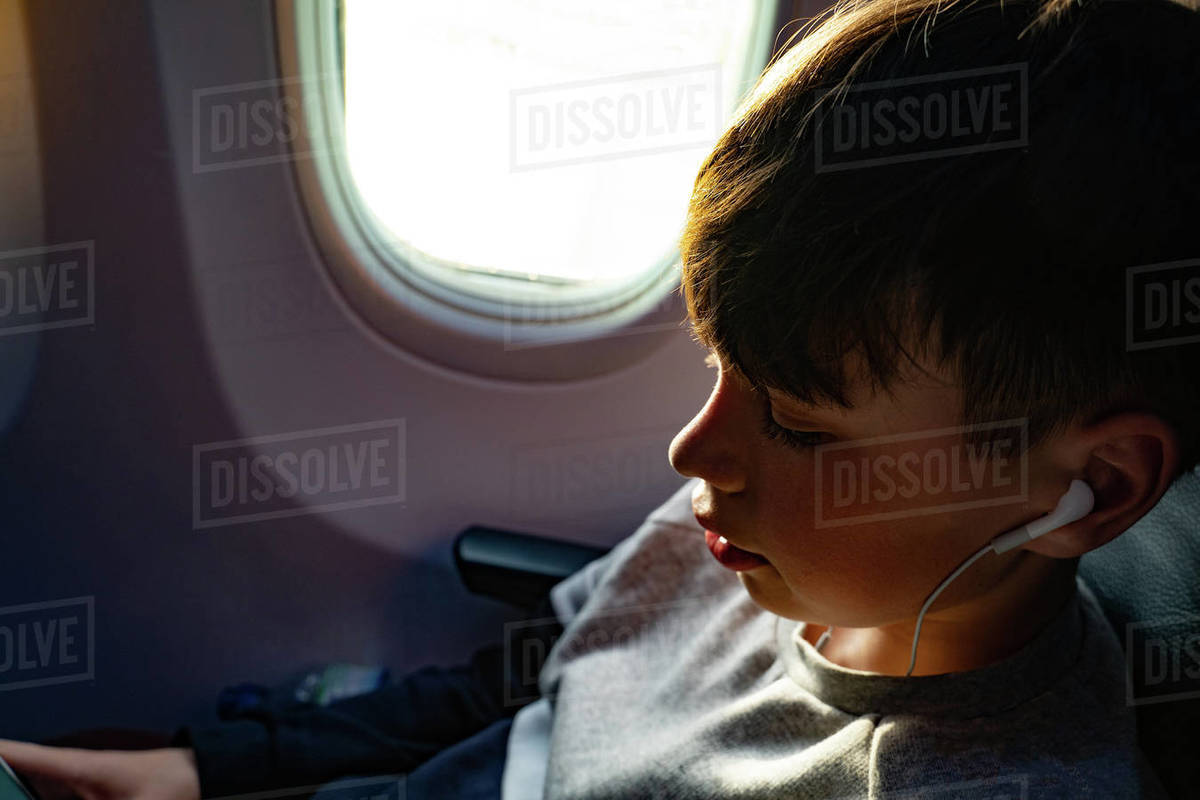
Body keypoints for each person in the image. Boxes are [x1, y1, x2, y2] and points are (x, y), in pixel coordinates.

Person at [3, 0, 1199, 795]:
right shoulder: (762, 545)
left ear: (1094, 485)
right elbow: (532, 688)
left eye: (799, 420)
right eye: (716, 365)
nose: (694, 451)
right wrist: (196, 770)